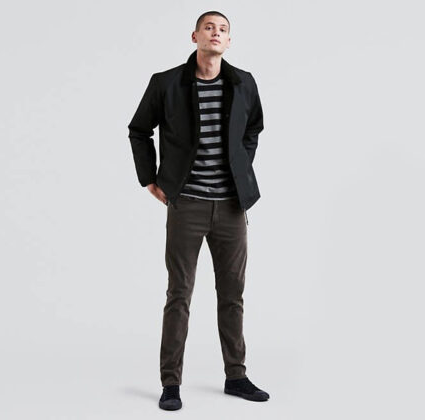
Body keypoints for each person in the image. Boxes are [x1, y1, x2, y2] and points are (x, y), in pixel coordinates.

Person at [127, 10, 269, 411]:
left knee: (233, 294)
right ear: (195, 36)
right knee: (179, 294)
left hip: (232, 206)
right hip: (186, 203)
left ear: (229, 41)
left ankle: (236, 376)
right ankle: (171, 384)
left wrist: (240, 167)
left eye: (223, 29)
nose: (216, 33)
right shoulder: (166, 83)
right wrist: (150, 179)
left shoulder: (243, 83)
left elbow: (253, 129)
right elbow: (139, 130)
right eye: (209, 27)